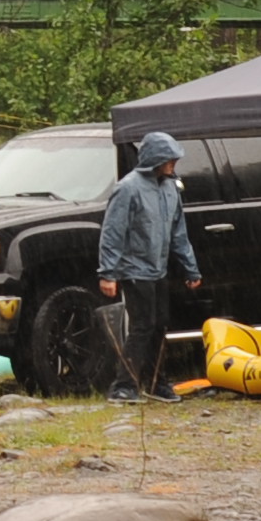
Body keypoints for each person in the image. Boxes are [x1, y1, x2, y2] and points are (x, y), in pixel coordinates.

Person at [94, 130, 199, 400]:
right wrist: (108, 273)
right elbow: (113, 232)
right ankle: (124, 386)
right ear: (156, 159)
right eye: (169, 158)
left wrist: (190, 268)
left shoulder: (170, 188)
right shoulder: (128, 188)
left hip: (158, 269)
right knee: (142, 326)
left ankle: (155, 383)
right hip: (134, 270)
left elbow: (178, 232)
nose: (174, 163)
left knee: (160, 325)